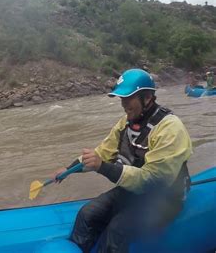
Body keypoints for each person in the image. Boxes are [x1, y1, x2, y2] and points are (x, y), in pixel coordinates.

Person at [54, 69, 192, 253]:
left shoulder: (170, 128)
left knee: (117, 230)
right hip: (132, 189)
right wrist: (68, 169)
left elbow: (152, 180)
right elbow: (102, 153)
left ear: (148, 98)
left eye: (128, 98)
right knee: (87, 214)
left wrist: (102, 168)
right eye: (121, 98)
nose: (123, 104)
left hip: (165, 197)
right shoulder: (125, 123)